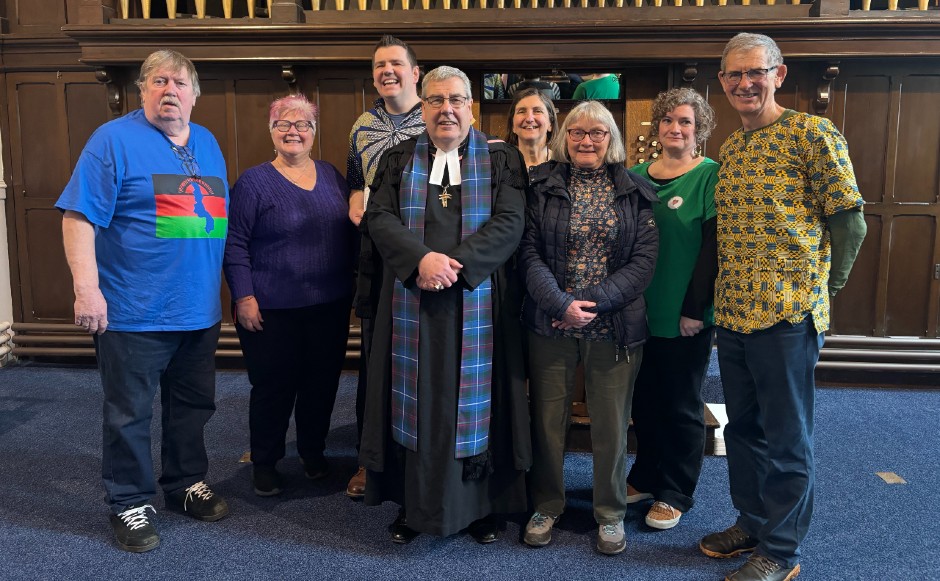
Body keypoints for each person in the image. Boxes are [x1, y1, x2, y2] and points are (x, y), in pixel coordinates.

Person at [699, 33, 866, 581]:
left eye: (755, 72)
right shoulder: (733, 147)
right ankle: (752, 521)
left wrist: (825, 290)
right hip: (736, 313)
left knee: (787, 437)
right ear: (722, 82)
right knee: (744, 431)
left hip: (789, 316)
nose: (744, 83)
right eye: (733, 75)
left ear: (779, 74)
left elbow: (849, 220)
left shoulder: (813, 133)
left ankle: (783, 550)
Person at [56, 49, 230, 553]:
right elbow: (77, 217)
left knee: (192, 406)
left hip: (198, 311)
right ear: (142, 90)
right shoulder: (113, 141)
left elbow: (210, 225)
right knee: (128, 412)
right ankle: (129, 500)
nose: (168, 90)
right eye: (157, 81)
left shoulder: (207, 142)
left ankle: (183, 483)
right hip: (134, 312)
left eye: (179, 81)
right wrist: (87, 289)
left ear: (195, 93)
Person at [360, 65, 530, 545]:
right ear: (424, 108)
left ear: (471, 107)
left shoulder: (502, 160)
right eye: (435, 101)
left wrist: (452, 265)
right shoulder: (398, 159)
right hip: (413, 303)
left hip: (478, 307)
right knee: (417, 403)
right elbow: (380, 217)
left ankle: (480, 509)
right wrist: (422, 262)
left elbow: (511, 222)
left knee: (477, 408)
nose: (446, 109)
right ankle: (413, 507)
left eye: (456, 100)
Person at [518, 100, 659, 554]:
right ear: (564, 137)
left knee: (612, 425)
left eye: (597, 132)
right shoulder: (540, 187)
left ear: (611, 139)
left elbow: (643, 261)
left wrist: (593, 303)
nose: (586, 140)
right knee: (547, 422)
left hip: (613, 324)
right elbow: (527, 252)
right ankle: (546, 504)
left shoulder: (635, 190)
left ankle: (610, 513)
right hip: (550, 320)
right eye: (577, 132)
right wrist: (561, 303)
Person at [223, 95, 357, 497]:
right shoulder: (253, 182)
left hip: (328, 307)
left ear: (314, 133)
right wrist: (243, 296)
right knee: (273, 388)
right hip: (270, 309)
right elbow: (234, 244)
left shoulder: (333, 177)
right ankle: (265, 462)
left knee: (321, 385)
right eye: (284, 124)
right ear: (271, 131)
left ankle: (313, 453)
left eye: (302, 125)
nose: (293, 131)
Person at [627, 87, 719, 531]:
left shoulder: (710, 176)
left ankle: (675, 490)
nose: (675, 128)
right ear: (657, 127)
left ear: (699, 129)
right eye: (668, 121)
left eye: (685, 121)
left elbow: (712, 249)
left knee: (682, 405)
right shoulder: (635, 174)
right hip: (637, 311)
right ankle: (644, 476)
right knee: (643, 401)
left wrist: (695, 309)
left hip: (686, 313)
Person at [345, 34, 427, 499]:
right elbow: (357, 183)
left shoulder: (433, 116)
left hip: (422, 250)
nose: (387, 71)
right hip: (375, 250)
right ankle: (368, 458)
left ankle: (418, 458)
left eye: (396, 63)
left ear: (416, 72)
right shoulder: (363, 123)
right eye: (379, 65)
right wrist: (357, 207)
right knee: (374, 356)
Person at [503, 87, 557, 175]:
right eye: (521, 111)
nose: (529, 119)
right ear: (512, 125)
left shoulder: (563, 165)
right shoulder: (500, 164)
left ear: (550, 124)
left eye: (537, 111)